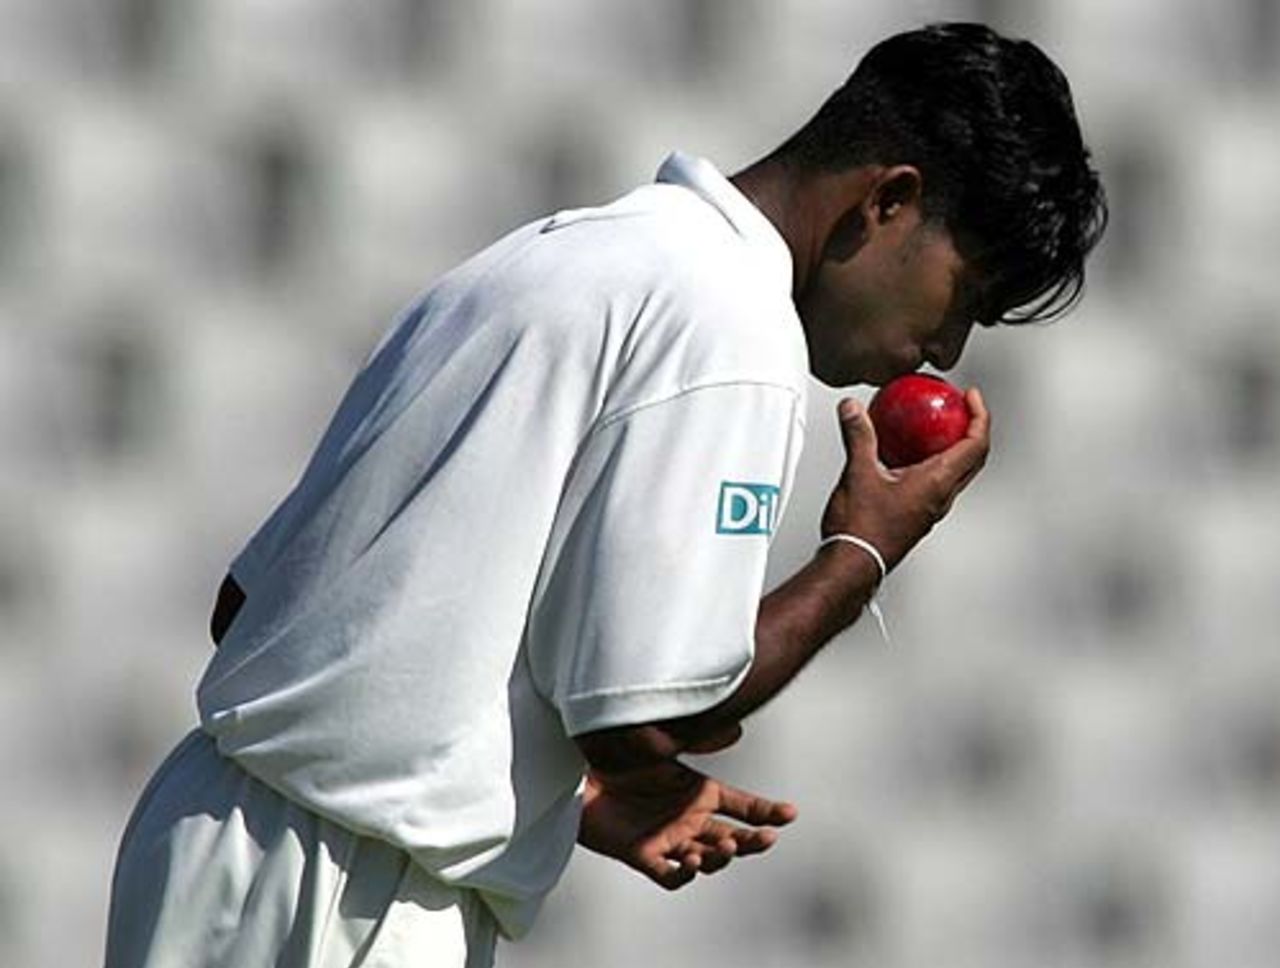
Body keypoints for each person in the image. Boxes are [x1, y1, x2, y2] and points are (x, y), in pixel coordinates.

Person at [105, 21, 1106, 968]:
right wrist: (863, 549)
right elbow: (649, 715)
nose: (944, 349)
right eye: (963, 294)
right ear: (885, 200)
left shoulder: (549, 252)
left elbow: (250, 609)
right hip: (351, 898)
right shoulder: (730, 327)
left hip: (207, 834)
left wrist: (565, 792)